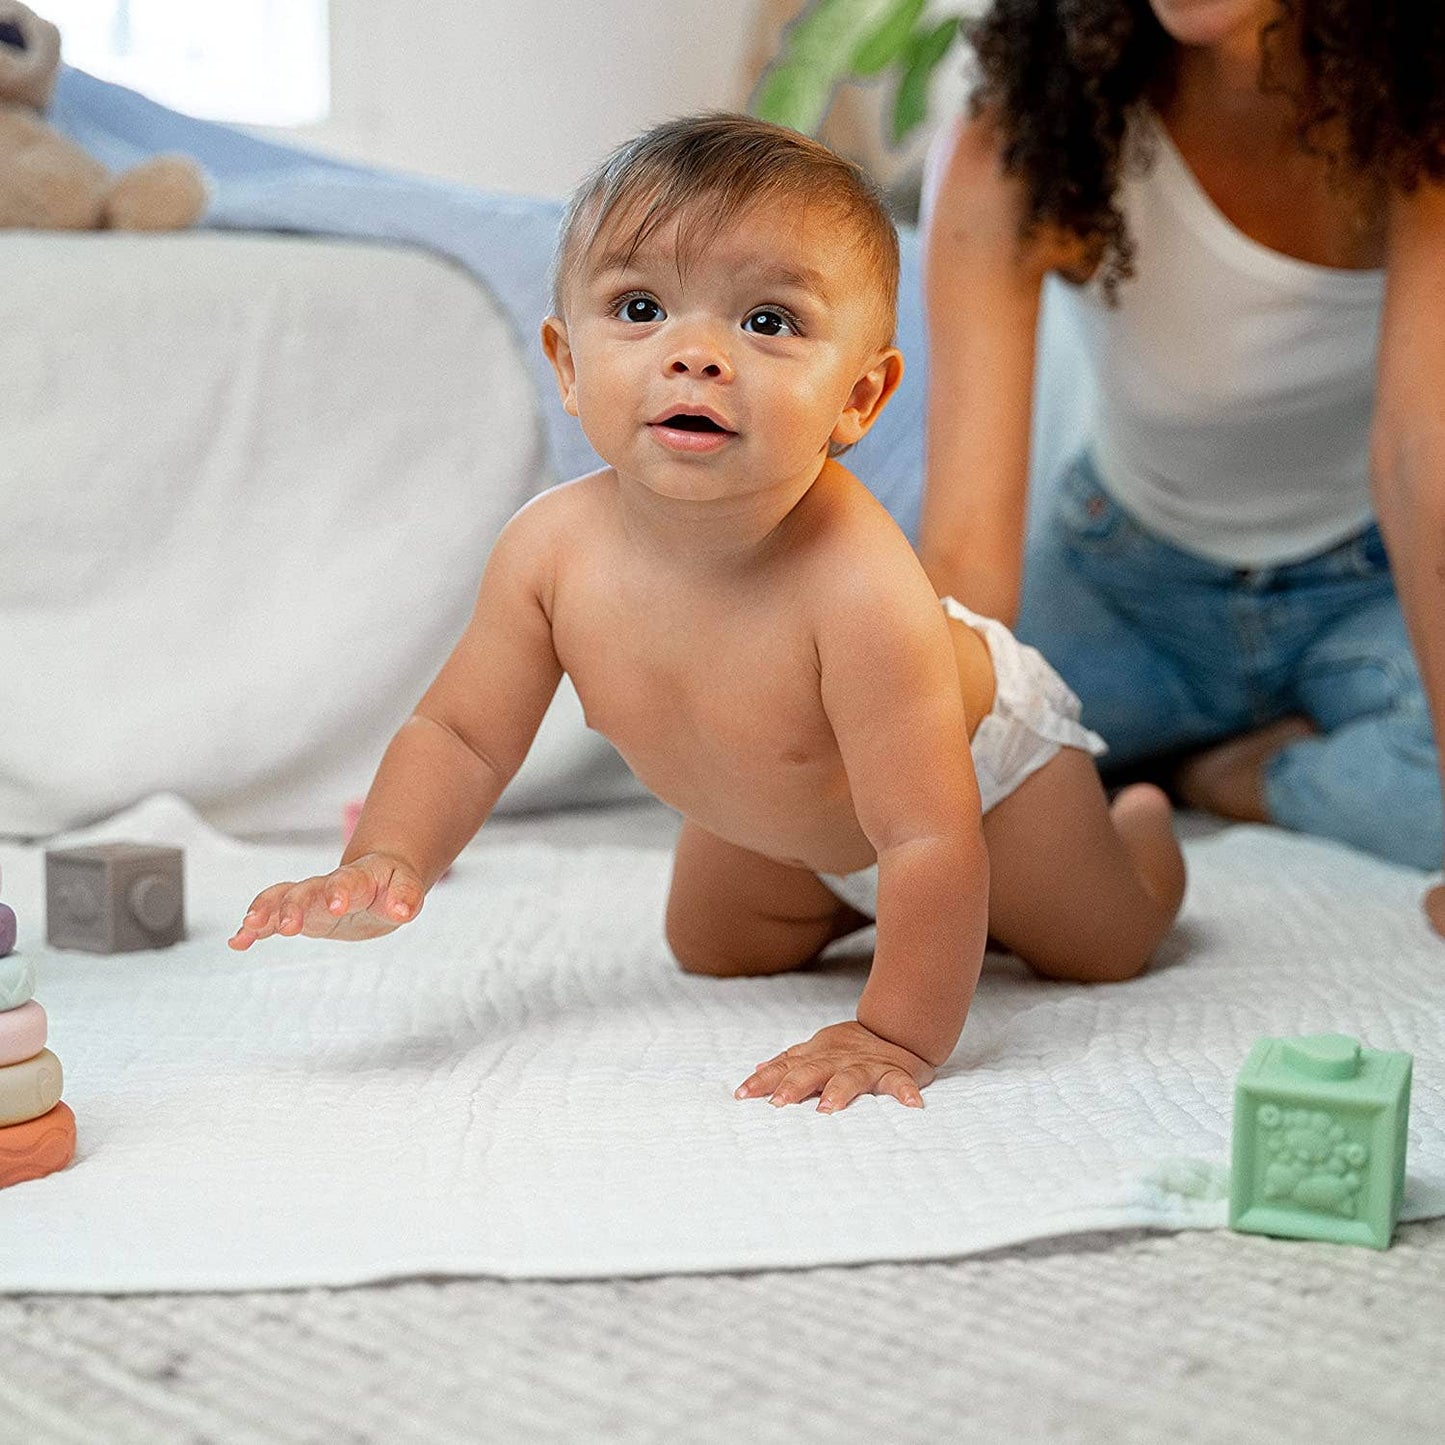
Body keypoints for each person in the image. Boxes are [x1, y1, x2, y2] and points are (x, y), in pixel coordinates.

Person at [229, 115, 1184, 1111]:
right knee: (714, 947)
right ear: (563, 361)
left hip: (980, 786)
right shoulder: (548, 553)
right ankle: (866, 905)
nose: (694, 355)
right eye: (639, 306)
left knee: (1101, 944)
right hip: (786, 818)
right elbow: (461, 734)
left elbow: (924, 836)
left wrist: (889, 1029)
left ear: (859, 398)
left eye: (766, 322)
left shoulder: (858, 584)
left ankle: (1140, 826)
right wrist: (387, 856)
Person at [919, 0, 1445, 935]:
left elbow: (1419, 460)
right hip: (1125, 585)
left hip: (1370, 587)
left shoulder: (1418, 100)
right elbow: (962, 557)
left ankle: (1224, 772)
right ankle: (1190, 757)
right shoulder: (1029, 121)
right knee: (930, 760)